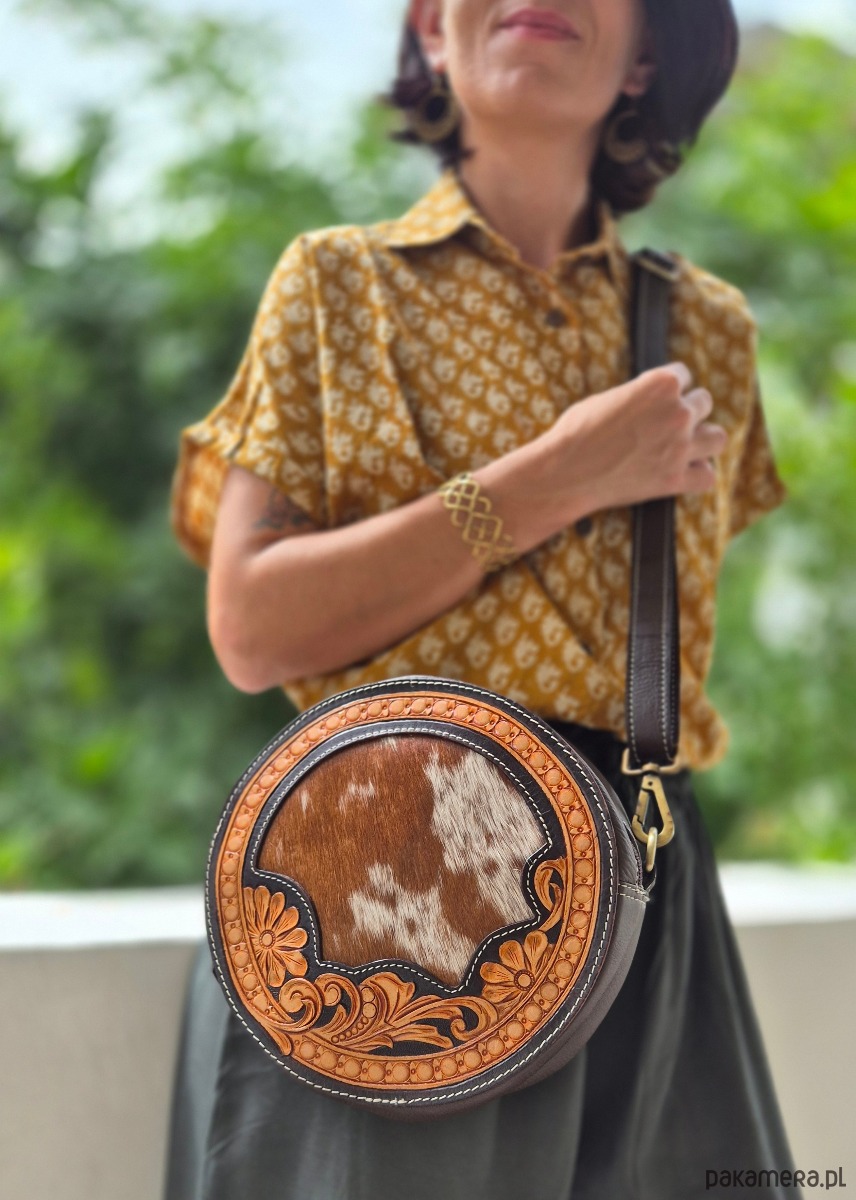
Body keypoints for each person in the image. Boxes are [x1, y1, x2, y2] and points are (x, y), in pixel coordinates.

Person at [164, 1, 801, 1197]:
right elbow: (250, 629)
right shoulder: (337, 286)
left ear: (646, 54)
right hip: (368, 895)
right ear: (430, 30)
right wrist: (555, 478)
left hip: (635, 881)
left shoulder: (705, 331)